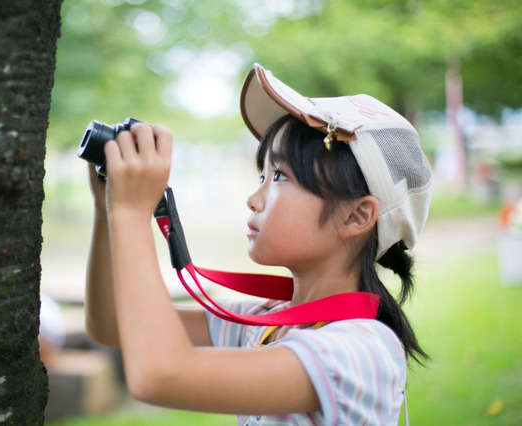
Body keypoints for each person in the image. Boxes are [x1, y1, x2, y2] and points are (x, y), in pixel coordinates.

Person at [83, 63, 432, 425]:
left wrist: (130, 211)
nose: (254, 197)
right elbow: (111, 324)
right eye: (262, 174)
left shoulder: (360, 349)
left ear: (356, 217)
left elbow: (160, 374)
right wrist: (106, 210)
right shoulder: (264, 322)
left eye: (280, 175)